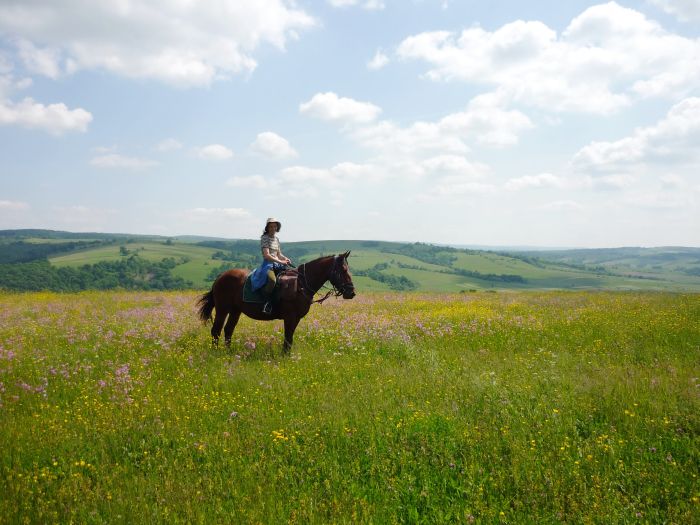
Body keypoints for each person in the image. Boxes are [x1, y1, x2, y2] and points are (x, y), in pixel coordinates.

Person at [252, 217, 292, 314]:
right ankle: (267, 303)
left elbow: (279, 254)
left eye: (275, 226)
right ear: (267, 227)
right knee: (272, 280)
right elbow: (267, 255)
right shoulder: (264, 238)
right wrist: (280, 261)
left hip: (278, 264)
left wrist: (286, 259)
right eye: (271, 226)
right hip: (268, 264)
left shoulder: (276, 239)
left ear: (277, 227)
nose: (273, 228)